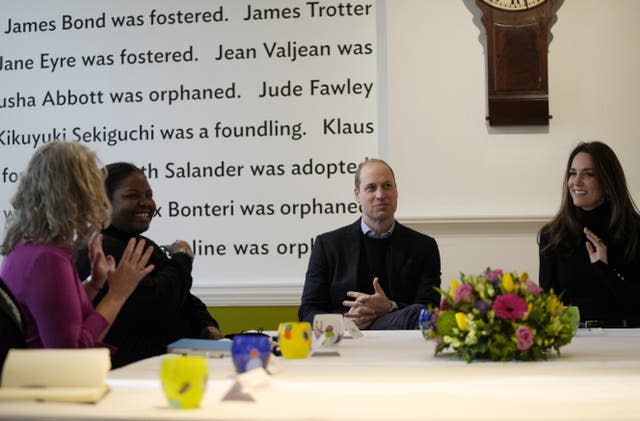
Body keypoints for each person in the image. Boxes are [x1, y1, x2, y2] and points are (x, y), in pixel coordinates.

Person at [0, 142, 153, 350]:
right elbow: (71, 351)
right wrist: (118, 294)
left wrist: (94, 283)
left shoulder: (28, 244)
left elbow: (59, 318)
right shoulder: (47, 258)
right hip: (48, 380)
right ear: (78, 193)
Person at [76, 162, 222, 368]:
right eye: (133, 196)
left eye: (148, 195)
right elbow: (157, 302)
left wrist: (205, 325)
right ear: (103, 203)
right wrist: (182, 258)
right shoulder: (102, 249)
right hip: (128, 372)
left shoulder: (138, 243)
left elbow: (183, 295)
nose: (146, 203)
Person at [299, 158, 442, 329]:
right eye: (371, 188)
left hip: (399, 339)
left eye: (387, 186)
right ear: (357, 195)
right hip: (347, 337)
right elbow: (308, 311)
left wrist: (390, 307)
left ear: (396, 191)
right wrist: (347, 321)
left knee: (417, 313)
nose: (380, 195)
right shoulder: (328, 245)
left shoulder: (424, 247)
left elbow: (430, 310)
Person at [539, 141, 640, 326]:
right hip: (574, 340)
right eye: (573, 173)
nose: (576, 182)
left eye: (588, 174)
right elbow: (547, 306)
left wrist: (605, 269)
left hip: (627, 337)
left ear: (608, 182)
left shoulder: (634, 231)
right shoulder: (552, 235)